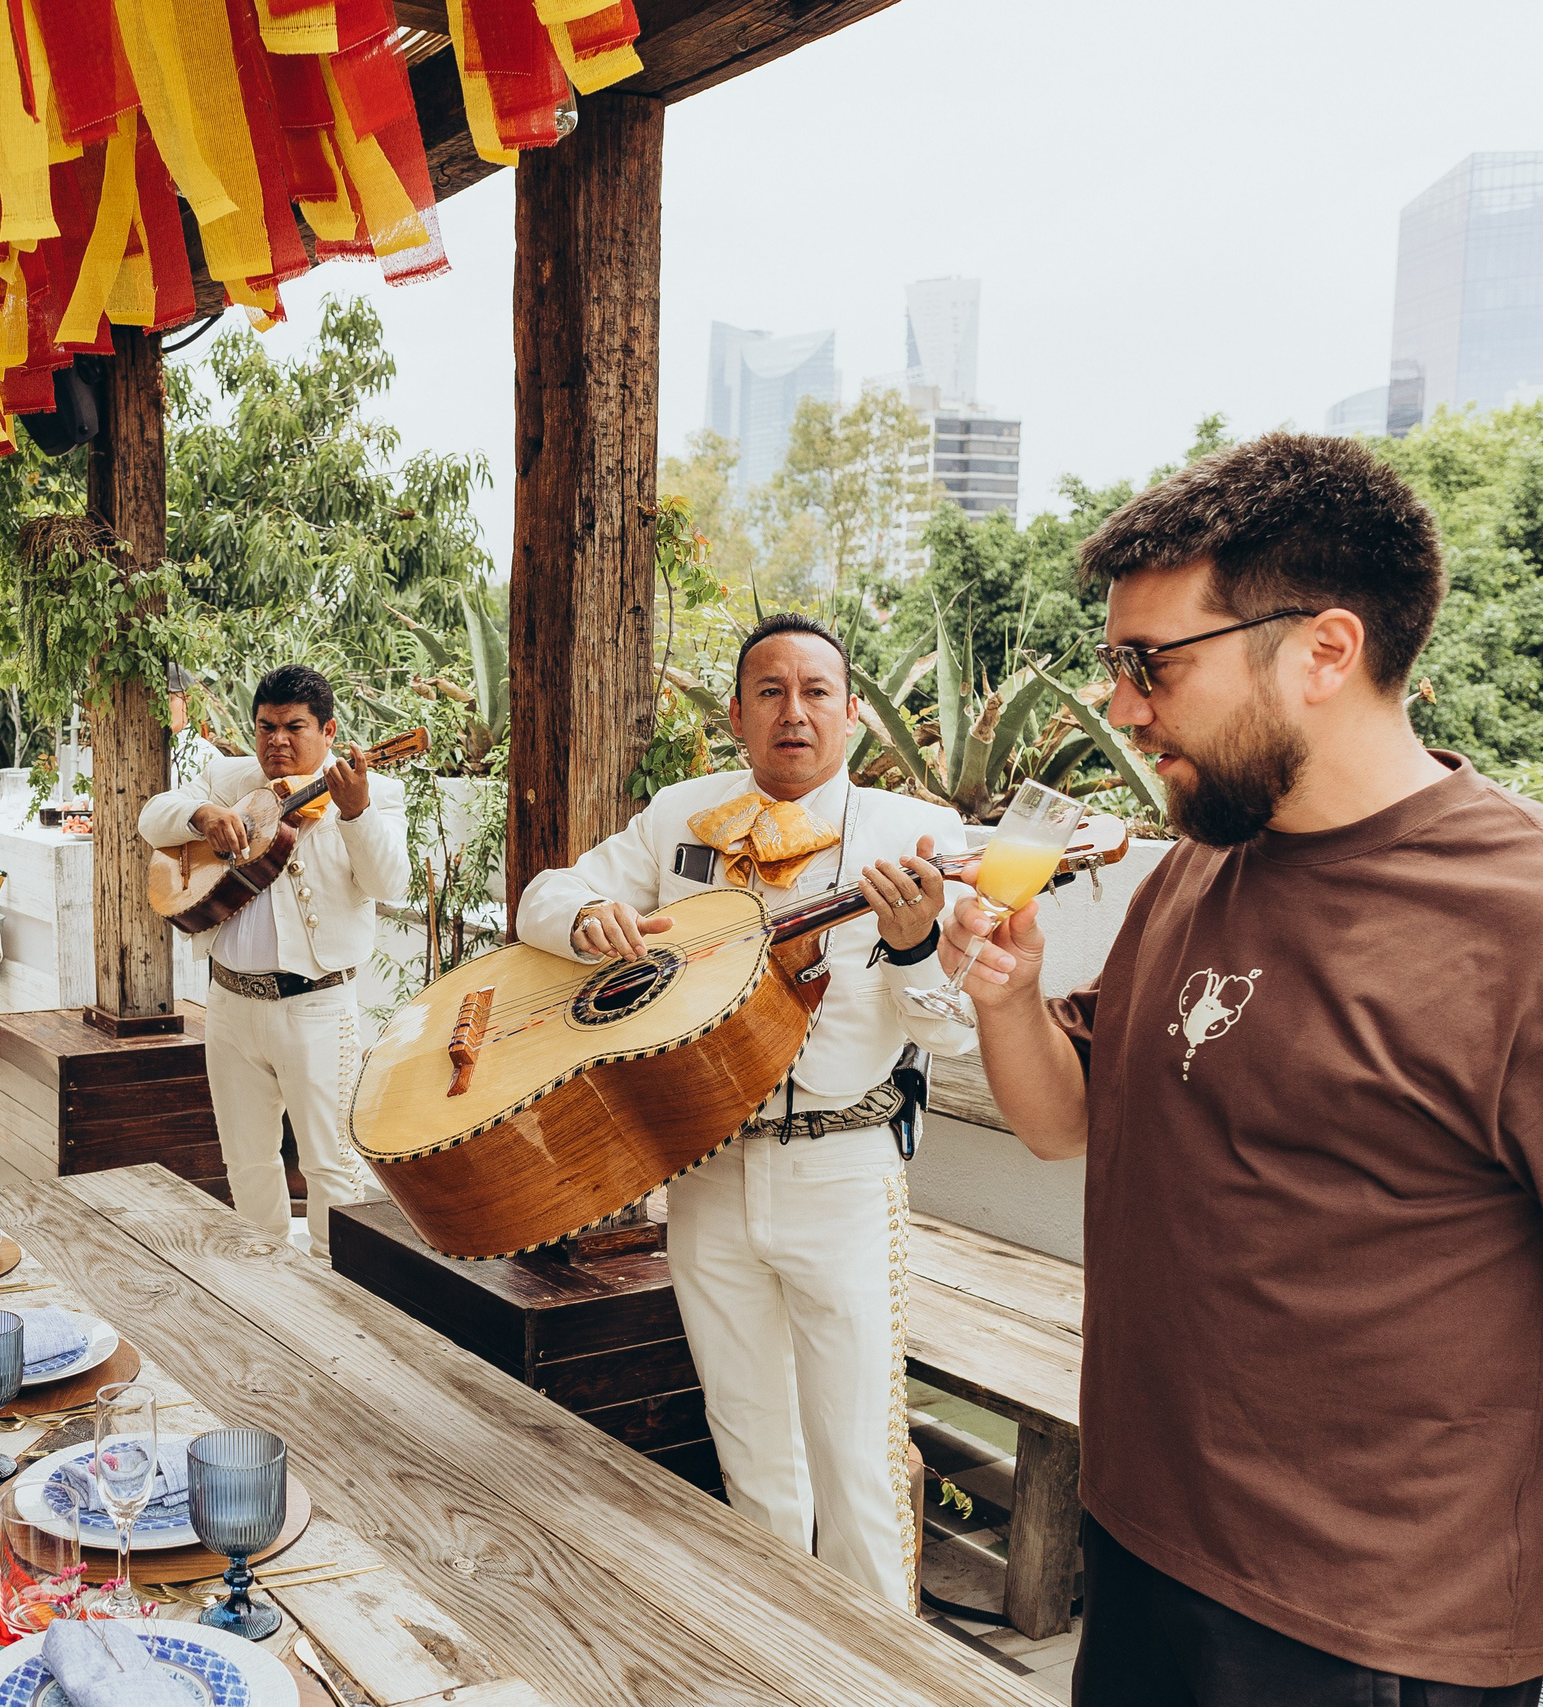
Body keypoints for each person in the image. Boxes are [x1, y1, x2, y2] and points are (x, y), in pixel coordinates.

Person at [938, 434, 1543, 1704]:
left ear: (1325, 650)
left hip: (1363, 1629)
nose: (1120, 705)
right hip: (1145, 1545)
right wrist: (1007, 1000)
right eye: (1119, 663)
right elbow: (1068, 1128)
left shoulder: (1515, 923)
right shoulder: (1203, 860)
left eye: (1152, 663)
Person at [515, 614, 973, 1611]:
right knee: (749, 1448)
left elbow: (952, 1032)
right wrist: (584, 921)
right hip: (707, 1169)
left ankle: (874, 1682)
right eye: (770, 692)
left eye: (816, 692)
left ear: (852, 713)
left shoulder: (914, 839)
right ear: (735, 714)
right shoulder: (681, 817)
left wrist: (910, 945)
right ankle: (778, 1660)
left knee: (856, 1459)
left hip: (844, 1172)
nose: (793, 712)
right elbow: (542, 897)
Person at [137, 665, 409, 1255]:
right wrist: (201, 817)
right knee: (246, 1163)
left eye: (294, 727)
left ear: (329, 730)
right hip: (231, 1005)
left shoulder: (376, 792)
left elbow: (392, 884)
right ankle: (263, 1291)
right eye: (265, 727)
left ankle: (336, 1301)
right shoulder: (228, 777)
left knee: (331, 1166)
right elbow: (152, 814)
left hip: (317, 1006)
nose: (276, 741)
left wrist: (357, 813)